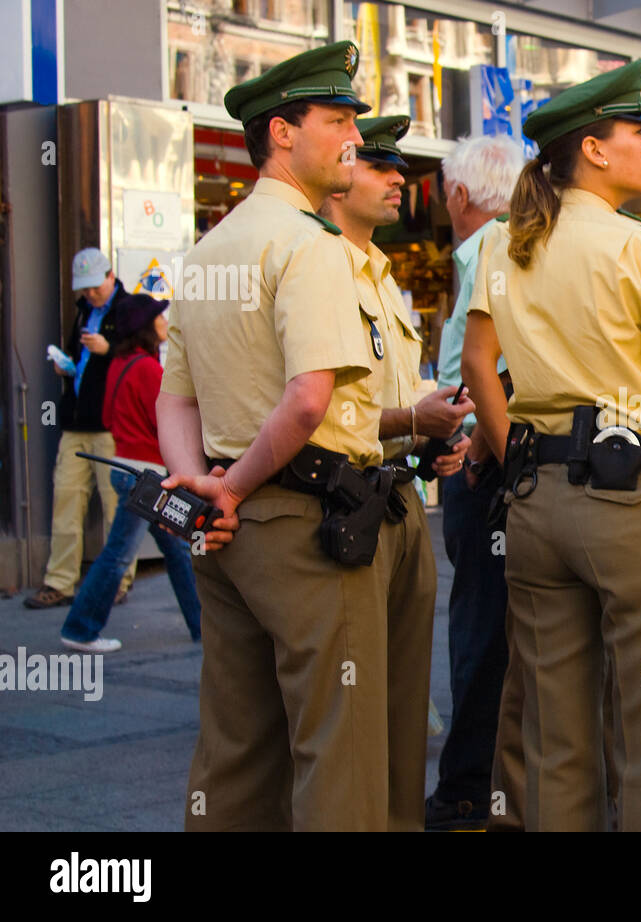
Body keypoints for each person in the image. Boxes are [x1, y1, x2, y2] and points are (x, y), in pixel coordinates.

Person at [158, 41, 466, 831]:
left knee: (235, 747)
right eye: (337, 121)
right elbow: (307, 402)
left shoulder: (206, 252)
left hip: (232, 529)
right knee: (342, 752)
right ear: (282, 134)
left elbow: (177, 399)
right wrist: (226, 487)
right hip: (310, 525)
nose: (354, 140)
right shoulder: (310, 246)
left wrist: (205, 488)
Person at [460, 59, 641, 831]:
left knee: (552, 733)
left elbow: (482, 363)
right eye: (639, 132)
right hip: (631, 497)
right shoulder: (636, 247)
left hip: (538, 500)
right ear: (595, 150)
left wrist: (516, 459)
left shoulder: (504, 245)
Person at [318, 114, 472, 831]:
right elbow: (320, 412)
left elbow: (393, 396)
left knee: (406, 705)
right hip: (342, 502)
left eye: (401, 170)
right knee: (351, 711)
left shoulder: (381, 273)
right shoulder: (314, 265)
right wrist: (416, 420)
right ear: (340, 172)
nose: (398, 182)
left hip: (401, 494)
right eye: (381, 167)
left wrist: (435, 426)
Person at [426, 133, 522, 830]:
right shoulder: (507, 249)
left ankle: (468, 785)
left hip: (483, 467)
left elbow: (491, 373)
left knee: (481, 628)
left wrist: (483, 453)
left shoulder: (488, 252)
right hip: (498, 463)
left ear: (458, 195)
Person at [58, 295, 201, 653]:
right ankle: (79, 629)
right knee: (120, 556)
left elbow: (108, 418)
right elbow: (167, 425)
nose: (165, 321)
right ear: (145, 327)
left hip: (128, 469)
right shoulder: (149, 369)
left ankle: (203, 627)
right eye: (158, 317)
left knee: (176, 550)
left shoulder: (119, 365)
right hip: (148, 476)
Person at [26, 249, 135, 609]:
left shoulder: (129, 308)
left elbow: (142, 356)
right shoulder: (85, 311)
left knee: (115, 505)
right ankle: (60, 581)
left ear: (110, 276)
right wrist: (68, 365)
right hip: (77, 421)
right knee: (67, 500)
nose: (90, 294)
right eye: (84, 289)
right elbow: (80, 355)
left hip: (110, 425)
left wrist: (110, 348)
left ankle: (118, 580)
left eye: (94, 287)